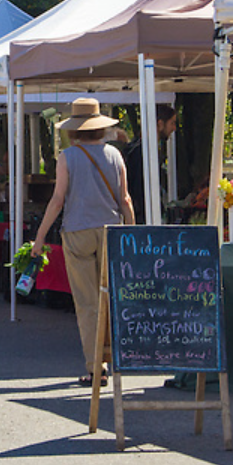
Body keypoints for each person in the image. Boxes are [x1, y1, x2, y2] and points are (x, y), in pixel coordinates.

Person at [31, 98, 135, 386]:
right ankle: (115, 359)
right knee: (111, 298)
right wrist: (132, 233)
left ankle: (95, 367)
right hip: (111, 231)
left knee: (87, 303)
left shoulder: (67, 157)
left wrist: (40, 237)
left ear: (74, 129)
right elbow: (125, 199)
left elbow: (57, 200)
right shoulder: (115, 155)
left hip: (77, 232)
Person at [124, 104, 177, 223]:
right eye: (172, 123)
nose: (174, 128)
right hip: (143, 217)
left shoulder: (145, 149)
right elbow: (139, 188)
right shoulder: (141, 151)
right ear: (160, 124)